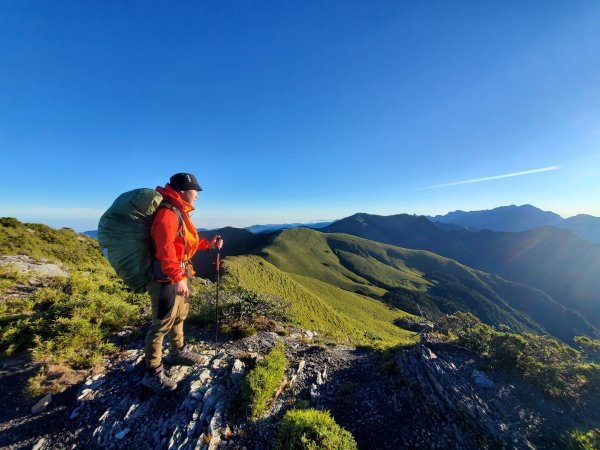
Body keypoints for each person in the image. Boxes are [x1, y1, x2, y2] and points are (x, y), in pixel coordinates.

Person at [142, 172, 223, 395]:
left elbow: (184, 244)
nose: (197, 194)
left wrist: (208, 244)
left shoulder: (179, 212)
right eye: (194, 190)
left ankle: (177, 351)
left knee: (180, 315)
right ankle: (152, 372)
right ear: (181, 191)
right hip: (166, 278)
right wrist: (177, 277)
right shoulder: (168, 213)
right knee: (161, 323)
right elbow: (165, 250)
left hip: (179, 272)